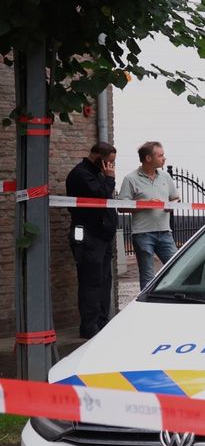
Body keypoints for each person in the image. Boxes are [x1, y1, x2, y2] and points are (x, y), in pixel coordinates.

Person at [65, 142, 118, 338]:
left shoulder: (97, 173)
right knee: (91, 280)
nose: (111, 166)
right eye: (109, 162)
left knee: (104, 280)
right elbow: (101, 195)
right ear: (98, 157)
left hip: (102, 235)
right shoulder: (82, 174)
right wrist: (110, 179)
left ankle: (102, 321)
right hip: (89, 235)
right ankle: (90, 325)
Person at [117, 141, 181, 289]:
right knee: (147, 275)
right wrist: (146, 204)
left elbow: (175, 197)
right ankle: (146, 306)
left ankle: (173, 298)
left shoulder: (165, 176)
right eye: (160, 155)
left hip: (165, 232)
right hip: (142, 234)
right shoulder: (130, 179)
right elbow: (121, 207)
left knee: (177, 268)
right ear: (148, 158)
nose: (164, 158)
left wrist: (171, 205)